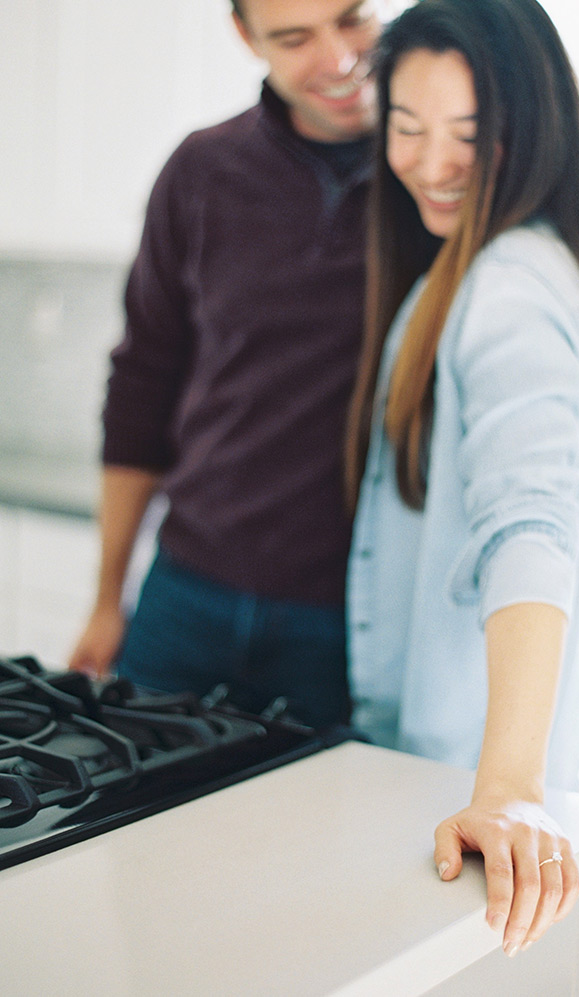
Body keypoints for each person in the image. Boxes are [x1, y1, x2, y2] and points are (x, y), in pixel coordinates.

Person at [344, 0, 579, 955]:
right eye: (407, 126)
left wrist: (507, 786)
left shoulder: (505, 287)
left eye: (469, 135)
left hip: (465, 800)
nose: (432, 164)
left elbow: (528, 524)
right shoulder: (505, 264)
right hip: (443, 782)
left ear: (532, 130)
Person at [68, 0, 382, 729]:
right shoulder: (201, 170)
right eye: (294, 39)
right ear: (246, 37)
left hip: (348, 620)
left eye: (354, 18)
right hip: (185, 594)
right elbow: (141, 386)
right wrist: (108, 598)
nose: (337, 60)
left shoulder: (435, 180)